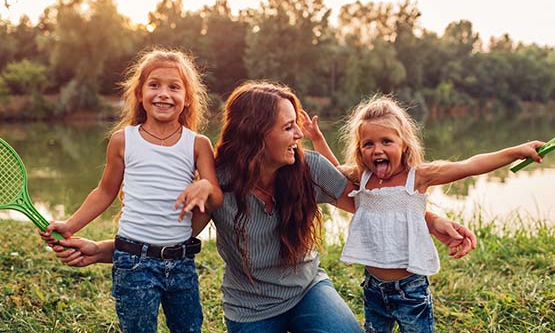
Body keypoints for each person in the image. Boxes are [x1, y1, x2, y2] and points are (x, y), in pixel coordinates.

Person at [43, 82, 477, 333]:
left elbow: (373, 204)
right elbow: (173, 236)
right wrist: (99, 250)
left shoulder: (306, 167)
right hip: (249, 306)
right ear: (257, 133)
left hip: (308, 289)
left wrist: (434, 218)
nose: (297, 136)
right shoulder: (221, 182)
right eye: (288, 128)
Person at [300, 95, 543, 333]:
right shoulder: (362, 177)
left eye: (386, 141)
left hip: (410, 290)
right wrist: (318, 138)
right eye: (368, 144)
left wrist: (516, 151)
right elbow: (331, 174)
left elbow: (469, 165)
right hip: (373, 287)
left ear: (403, 143)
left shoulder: (417, 177)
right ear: (360, 149)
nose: (377, 150)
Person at [43, 49, 223, 333]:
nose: (163, 93)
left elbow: (216, 197)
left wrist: (204, 185)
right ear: (139, 93)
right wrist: (69, 225)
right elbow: (104, 191)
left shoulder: (198, 144)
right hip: (133, 262)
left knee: (189, 329)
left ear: (187, 98)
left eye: (174, 87)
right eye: (154, 85)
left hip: (182, 263)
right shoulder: (122, 140)